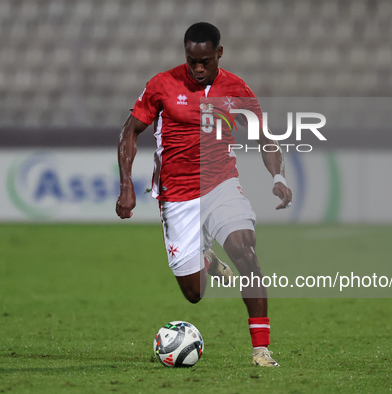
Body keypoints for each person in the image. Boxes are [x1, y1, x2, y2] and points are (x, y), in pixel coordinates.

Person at [116, 22, 292, 367]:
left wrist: (278, 177)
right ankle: (206, 260)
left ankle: (261, 349)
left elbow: (264, 137)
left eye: (205, 61)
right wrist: (126, 186)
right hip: (176, 194)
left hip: (220, 184)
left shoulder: (236, 89)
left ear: (219, 54)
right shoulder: (162, 85)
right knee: (194, 294)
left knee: (245, 250)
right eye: (192, 61)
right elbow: (130, 131)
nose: (198, 69)